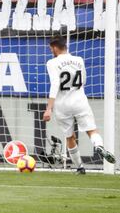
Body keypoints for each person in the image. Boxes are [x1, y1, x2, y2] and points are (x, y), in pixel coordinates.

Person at [43, 35, 116, 174]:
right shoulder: (79, 60)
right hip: (79, 100)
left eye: (50, 48)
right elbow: (83, 81)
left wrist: (48, 108)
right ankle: (98, 146)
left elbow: (55, 84)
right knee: (91, 130)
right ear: (65, 46)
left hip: (62, 104)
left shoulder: (52, 63)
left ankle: (80, 167)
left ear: (54, 48)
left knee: (70, 136)